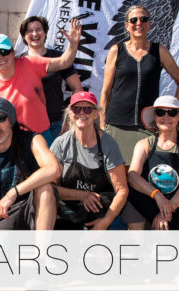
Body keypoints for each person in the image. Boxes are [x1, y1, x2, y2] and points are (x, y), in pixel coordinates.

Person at [100, 5, 179, 166]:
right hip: (116, 125)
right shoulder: (116, 50)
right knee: (117, 177)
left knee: (143, 175)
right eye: (133, 20)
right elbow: (106, 92)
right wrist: (101, 123)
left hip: (147, 126)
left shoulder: (159, 50)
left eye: (143, 19)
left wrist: (169, 112)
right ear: (126, 25)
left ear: (149, 23)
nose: (138, 23)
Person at [0, 97, 60, 230]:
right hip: (3, 215)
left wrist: (13, 193)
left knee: (45, 189)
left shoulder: (32, 140)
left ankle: (41, 250)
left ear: (11, 121)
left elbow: (53, 169)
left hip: (33, 209)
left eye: (1, 117)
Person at [0, 19, 81, 137]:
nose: (0, 57)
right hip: (14, 139)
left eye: (4, 51)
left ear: (12, 52)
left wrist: (73, 44)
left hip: (44, 133)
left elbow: (64, 62)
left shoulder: (29, 63)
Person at [50, 92, 129, 230]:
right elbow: (51, 188)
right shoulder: (61, 143)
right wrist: (83, 195)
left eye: (87, 109)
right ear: (70, 113)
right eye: (76, 109)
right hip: (68, 208)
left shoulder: (109, 144)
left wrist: (105, 221)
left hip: (99, 209)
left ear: (96, 113)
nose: (82, 113)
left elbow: (122, 190)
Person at [125, 96, 179, 230]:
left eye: (171, 112)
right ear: (155, 117)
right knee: (132, 200)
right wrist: (157, 195)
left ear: (178, 117)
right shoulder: (144, 144)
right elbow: (132, 176)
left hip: (178, 201)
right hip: (149, 198)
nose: (166, 116)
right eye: (161, 112)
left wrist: (165, 211)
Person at [18, 16, 84, 144]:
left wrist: (69, 120)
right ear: (24, 36)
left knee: (57, 163)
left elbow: (77, 88)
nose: (35, 34)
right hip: (27, 127)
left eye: (38, 29)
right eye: (29, 31)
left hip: (55, 125)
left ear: (45, 32)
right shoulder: (18, 62)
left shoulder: (59, 58)